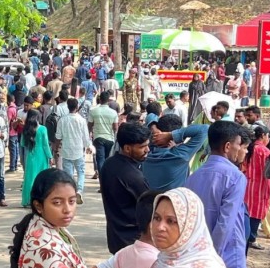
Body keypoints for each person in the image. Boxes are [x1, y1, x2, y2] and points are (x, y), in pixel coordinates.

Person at [185, 121, 249, 268]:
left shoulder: (194, 177)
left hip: (197, 257)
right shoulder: (235, 177)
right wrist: (214, 258)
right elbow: (225, 222)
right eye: (239, 145)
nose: (242, 150)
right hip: (226, 256)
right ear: (228, 146)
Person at [100, 122, 151, 253]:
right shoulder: (133, 176)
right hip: (134, 242)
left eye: (147, 145)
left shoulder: (108, 164)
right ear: (127, 148)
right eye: (142, 147)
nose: (147, 150)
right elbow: (151, 208)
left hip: (115, 239)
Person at [144, 115, 209, 190]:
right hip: (174, 200)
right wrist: (171, 135)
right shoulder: (179, 156)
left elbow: (150, 116)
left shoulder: (146, 153)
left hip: (148, 200)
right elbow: (205, 129)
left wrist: (154, 129)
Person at [54, 98, 91, 203]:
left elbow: (58, 137)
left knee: (68, 174)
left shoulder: (62, 120)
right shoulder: (81, 120)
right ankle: (79, 190)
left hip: (66, 150)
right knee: (81, 172)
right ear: (77, 106)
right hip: (78, 150)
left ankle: (71, 191)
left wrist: (56, 149)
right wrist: (88, 146)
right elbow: (85, 136)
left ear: (68, 107)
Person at [244, 125, 270, 251]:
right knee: (256, 212)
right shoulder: (264, 151)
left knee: (247, 211)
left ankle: (246, 236)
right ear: (263, 136)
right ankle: (252, 238)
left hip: (247, 185)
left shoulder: (248, 148)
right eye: (268, 136)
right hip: (260, 186)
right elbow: (269, 172)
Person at [21, 109, 52, 208]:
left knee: (30, 178)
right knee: (42, 178)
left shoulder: (26, 129)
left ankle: (28, 200)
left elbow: (22, 143)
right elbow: (46, 145)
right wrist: (50, 157)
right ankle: (41, 200)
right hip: (42, 155)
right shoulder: (43, 129)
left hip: (31, 155)